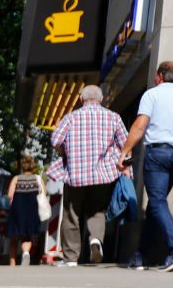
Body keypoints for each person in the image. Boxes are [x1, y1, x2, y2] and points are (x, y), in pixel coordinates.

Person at [118, 61, 173, 272]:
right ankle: (142, 257)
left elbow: (139, 125)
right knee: (157, 205)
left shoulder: (152, 95)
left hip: (157, 154)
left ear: (160, 76)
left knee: (156, 203)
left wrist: (125, 151)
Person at [51, 85, 126, 266]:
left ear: (80, 99)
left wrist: (65, 152)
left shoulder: (71, 118)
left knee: (71, 215)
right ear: (102, 99)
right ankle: (95, 240)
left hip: (75, 174)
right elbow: (125, 142)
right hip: (102, 175)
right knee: (97, 210)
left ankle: (70, 258)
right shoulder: (114, 117)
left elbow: (56, 140)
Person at [6, 155, 47, 266]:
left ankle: (12, 262)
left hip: (17, 211)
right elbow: (44, 193)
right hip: (32, 210)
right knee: (27, 235)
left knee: (14, 237)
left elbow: (10, 195)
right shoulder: (37, 179)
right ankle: (25, 253)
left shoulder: (16, 178)